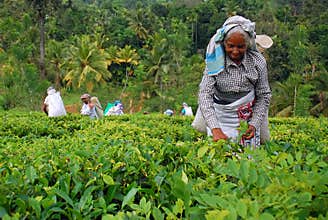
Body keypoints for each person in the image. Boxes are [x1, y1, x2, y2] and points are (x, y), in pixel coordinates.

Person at [198, 15, 272, 147]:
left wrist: (254, 124)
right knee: (221, 156)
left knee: (248, 159)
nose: (235, 51)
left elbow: (264, 94)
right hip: (220, 116)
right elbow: (205, 94)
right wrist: (215, 129)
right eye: (230, 46)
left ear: (248, 44)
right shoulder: (215, 61)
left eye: (241, 46)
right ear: (224, 44)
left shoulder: (257, 62)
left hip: (248, 117)